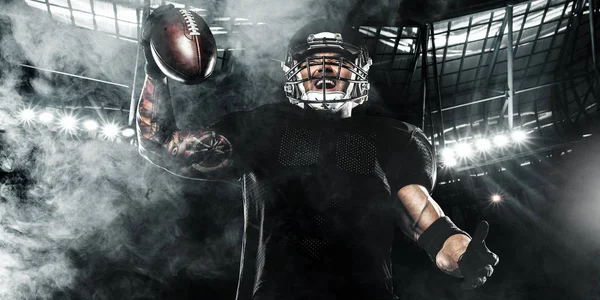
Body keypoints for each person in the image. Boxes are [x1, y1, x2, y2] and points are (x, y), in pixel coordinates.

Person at [137, 5, 499, 300]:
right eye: (313, 60)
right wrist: (156, 70)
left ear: (359, 70)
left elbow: (422, 218)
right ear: (293, 71)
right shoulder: (264, 126)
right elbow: (162, 145)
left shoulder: (392, 136)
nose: (324, 66)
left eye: (336, 59)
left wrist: (461, 250)